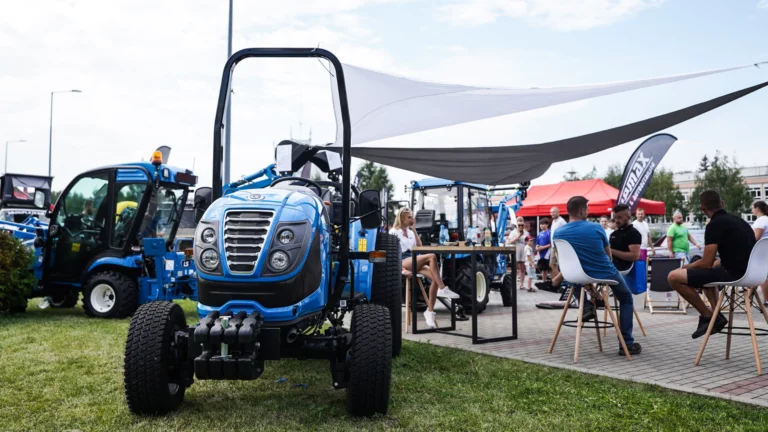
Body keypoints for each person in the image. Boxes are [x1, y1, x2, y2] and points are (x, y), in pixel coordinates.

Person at [554, 196, 641, 356]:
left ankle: (588, 305)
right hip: (605, 272)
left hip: (575, 275)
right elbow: (608, 256)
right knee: (626, 298)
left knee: (574, 280)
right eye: (586, 209)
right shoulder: (596, 228)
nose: (588, 212)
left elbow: (562, 258)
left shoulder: (558, 233)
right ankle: (626, 344)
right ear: (582, 211)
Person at [668, 190, 756, 339]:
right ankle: (717, 316)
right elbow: (728, 257)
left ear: (702, 208)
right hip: (752, 274)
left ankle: (708, 316)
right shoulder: (740, 222)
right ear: (722, 204)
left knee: (673, 277)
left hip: (733, 274)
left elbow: (706, 263)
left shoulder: (714, 225)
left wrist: (685, 268)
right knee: (705, 277)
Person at [390, 208, 460, 328]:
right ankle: (443, 288)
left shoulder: (410, 232)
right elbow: (391, 254)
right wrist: (402, 270)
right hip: (403, 260)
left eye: (412, 217)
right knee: (432, 257)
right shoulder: (393, 232)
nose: (413, 219)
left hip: (414, 258)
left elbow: (420, 247)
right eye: (409, 217)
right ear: (402, 218)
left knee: (435, 278)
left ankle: (429, 311)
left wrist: (414, 230)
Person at [751, 201, 768, 305]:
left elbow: (756, 238)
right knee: (757, 274)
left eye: (753, 208)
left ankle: (766, 300)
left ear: (757, 208)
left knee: (762, 276)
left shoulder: (761, 221)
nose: (752, 210)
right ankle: (748, 297)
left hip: (761, 251)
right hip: (765, 250)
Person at [507, 217, 529, 287]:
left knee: (523, 268)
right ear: (516, 225)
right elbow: (509, 242)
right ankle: (513, 284)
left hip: (523, 249)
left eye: (522, 225)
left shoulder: (526, 232)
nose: (520, 226)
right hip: (515, 249)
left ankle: (521, 284)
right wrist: (518, 236)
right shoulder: (513, 232)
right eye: (519, 225)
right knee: (515, 267)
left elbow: (529, 242)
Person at [535, 218, 552, 283]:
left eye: (543, 224)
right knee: (543, 268)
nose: (541, 226)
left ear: (547, 224)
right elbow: (537, 243)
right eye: (540, 224)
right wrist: (537, 247)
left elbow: (551, 244)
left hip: (548, 253)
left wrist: (543, 247)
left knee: (550, 268)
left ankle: (552, 281)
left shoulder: (549, 233)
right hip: (541, 254)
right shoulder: (539, 233)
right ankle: (543, 281)